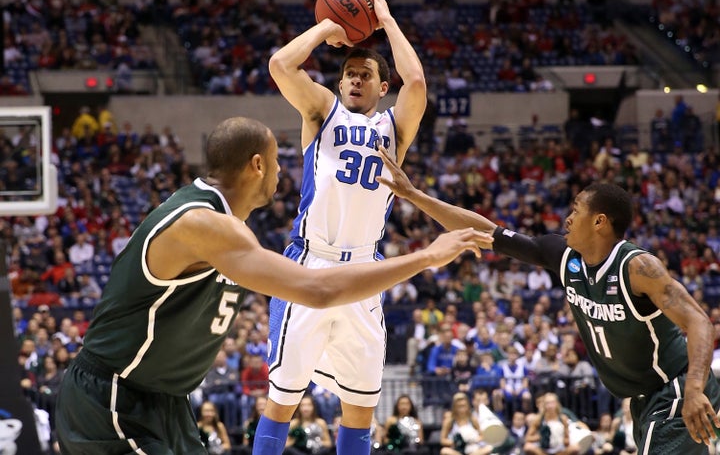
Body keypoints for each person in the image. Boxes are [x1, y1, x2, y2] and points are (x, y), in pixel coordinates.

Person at [54, 117, 491, 454]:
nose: (284, 170)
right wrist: (426, 257)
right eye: (279, 160)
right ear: (257, 165)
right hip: (111, 396)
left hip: (165, 401)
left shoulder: (230, 228)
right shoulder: (202, 223)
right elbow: (316, 290)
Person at [377, 148, 720, 454]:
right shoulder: (564, 257)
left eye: (576, 210)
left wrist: (694, 389)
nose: (567, 218)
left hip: (676, 389)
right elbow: (483, 232)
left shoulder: (638, 267)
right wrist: (414, 195)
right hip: (645, 399)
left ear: (600, 222)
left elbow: (699, 321)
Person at [258, 0, 429, 455]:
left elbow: (416, 83)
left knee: (360, 407)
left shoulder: (394, 127)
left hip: (364, 273)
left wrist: (386, 20)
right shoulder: (321, 111)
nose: (355, 79)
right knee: (282, 402)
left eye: (365, 74)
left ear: (382, 85)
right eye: (349, 73)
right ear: (339, 83)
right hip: (310, 263)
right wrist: (329, 27)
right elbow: (280, 65)